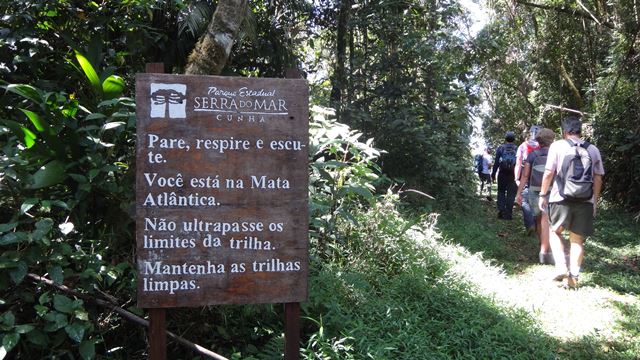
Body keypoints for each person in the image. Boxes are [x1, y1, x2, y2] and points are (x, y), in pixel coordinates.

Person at [538, 116, 604, 289]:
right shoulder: (593, 149)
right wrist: (594, 201)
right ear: (580, 131)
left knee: (555, 232)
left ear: (564, 132)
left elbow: (548, 172)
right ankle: (574, 276)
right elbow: (598, 178)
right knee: (577, 240)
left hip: (560, 198)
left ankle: (560, 267)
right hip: (585, 200)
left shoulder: (557, 146)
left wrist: (543, 195)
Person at [515, 128, 555, 264]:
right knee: (548, 220)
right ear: (552, 140)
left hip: (534, 190)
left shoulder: (532, 155)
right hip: (551, 190)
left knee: (538, 220)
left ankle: (542, 246)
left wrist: (519, 192)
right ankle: (546, 248)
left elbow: (525, 176)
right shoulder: (555, 154)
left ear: (538, 140)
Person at [515, 125, 541, 234]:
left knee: (524, 200)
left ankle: (530, 224)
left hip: (526, 176)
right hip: (541, 178)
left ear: (530, 133)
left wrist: (517, 178)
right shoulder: (545, 146)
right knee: (538, 200)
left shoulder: (523, 146)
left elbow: (518, 163)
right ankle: (537, 223)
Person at [492, 131, 518, 220]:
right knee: (511, 194)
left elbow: (496, 162)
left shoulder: (500, 148)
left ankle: (501, 211)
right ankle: (508, 214)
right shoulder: (517, 148)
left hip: (502, 173)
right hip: (513, 174)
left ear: (505, 139)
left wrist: (493, 174)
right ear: (514, 139)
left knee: (501, 192)